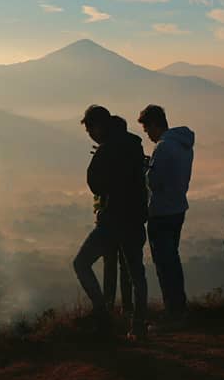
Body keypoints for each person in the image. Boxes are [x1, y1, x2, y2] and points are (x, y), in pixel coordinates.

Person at [72, 105, 148, 338]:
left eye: (90, 130)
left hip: (112, 220)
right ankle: (138, 326)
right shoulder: (134, 144)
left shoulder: (107, 150)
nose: (91, 135)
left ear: (99, 125)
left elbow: (94, 183)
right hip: (135, 219)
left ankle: (103, 312)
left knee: (81, 263)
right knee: (136, 274)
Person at [138, 104, 193, 321]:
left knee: (163, 263)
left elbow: (153, 181)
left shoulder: (162, 147)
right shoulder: (184, 144)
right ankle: (178, 306)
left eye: (147, 130)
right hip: (178, 207)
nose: (148, 136)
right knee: (173, 260)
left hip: (161, 211)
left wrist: (144, 169)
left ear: (154, 125)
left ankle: (173, 311)